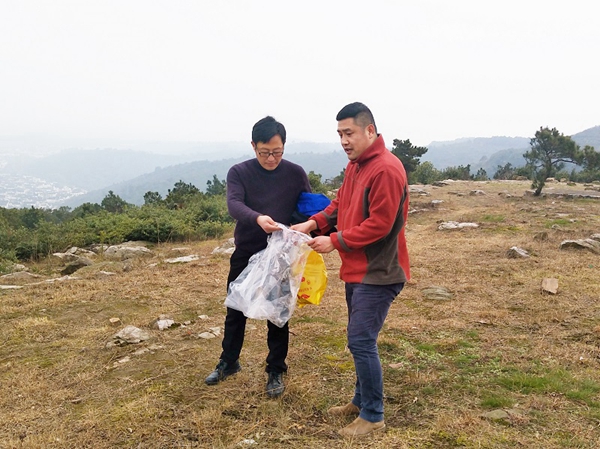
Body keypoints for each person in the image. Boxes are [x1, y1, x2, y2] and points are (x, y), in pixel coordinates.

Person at [291, 102, 410, 437]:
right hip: (357, 269)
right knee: (359, 338)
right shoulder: (356, 165)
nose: (344, 141)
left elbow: (381, 225)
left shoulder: (386, 169)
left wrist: (335, 240)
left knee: (360, 340)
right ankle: (360, 401)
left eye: (349, 133)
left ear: (369, 131)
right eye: (340, 134)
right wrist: (313, 223)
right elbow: (340, 203)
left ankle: (373, 416)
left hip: (380, 271)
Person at [204, 116, 311, 398]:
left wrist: (306, 225)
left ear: (284, 146)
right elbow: (234, 204)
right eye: (265, 152)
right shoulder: (239, 172)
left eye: (277, 152)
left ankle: (276, 368)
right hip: (247, 249)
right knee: (235, 307)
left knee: (278, 312)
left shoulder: (295, 173)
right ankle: (229, 361)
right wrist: (258, 218)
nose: (271, 158)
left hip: (281, 254)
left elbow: (306, 206)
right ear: (253, 146)